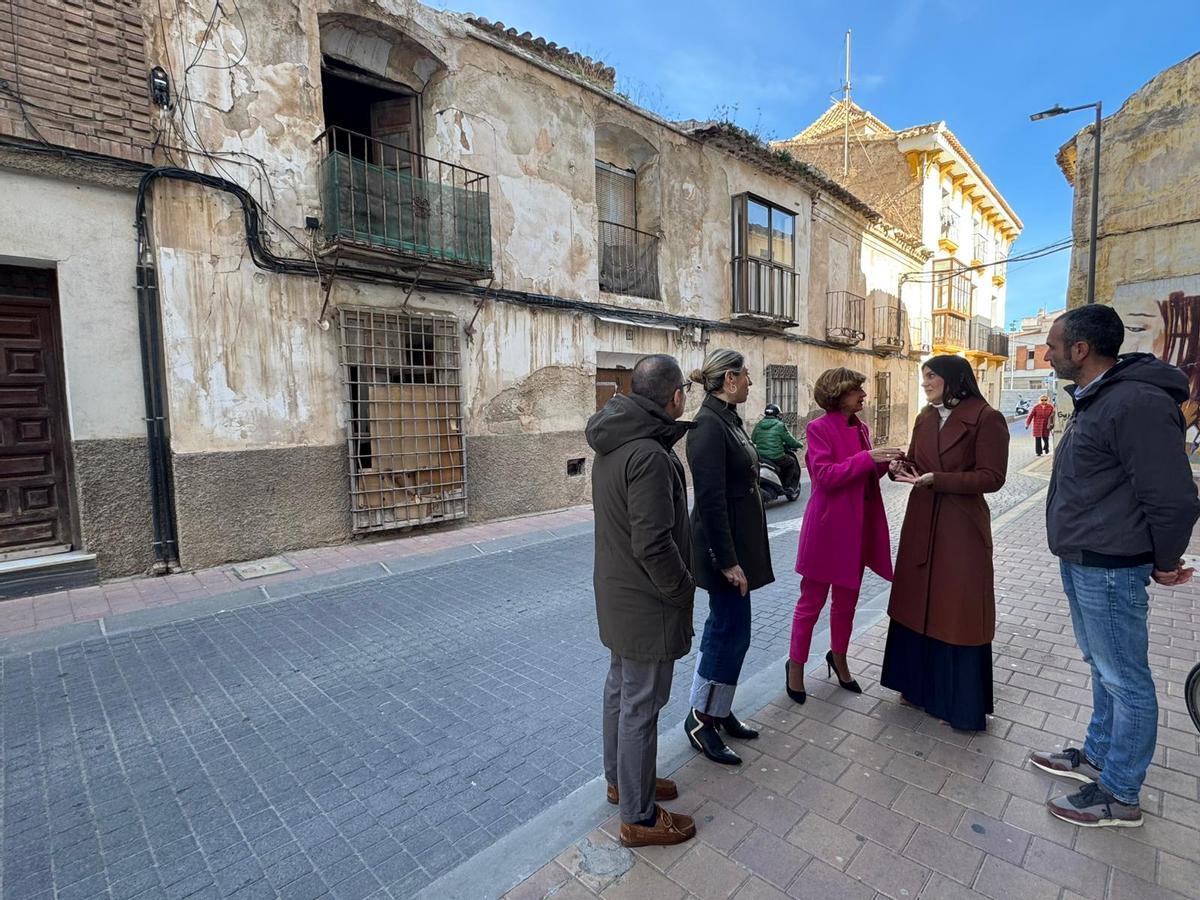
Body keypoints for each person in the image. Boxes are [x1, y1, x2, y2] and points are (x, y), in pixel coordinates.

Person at [1030, 305, 1200, 828]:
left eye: (1054, 345)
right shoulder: (1099, 398)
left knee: (1126, 678)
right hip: (1086, 558)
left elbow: (1174, 497)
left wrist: (1166, 560)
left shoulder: (1135, 402)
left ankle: (1120, 792)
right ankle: (1099, 756)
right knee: (1101, 667)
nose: (1048, 352)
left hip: (1110, 564)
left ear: (1081, 350)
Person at [587, 354, 698, 848]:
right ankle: (639, 815)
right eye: (684, 393)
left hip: (619, 591)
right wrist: (681, 588)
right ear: (674, 397)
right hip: (646, 598)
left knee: (622, 691)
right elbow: (654, 543)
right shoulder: (649, 455)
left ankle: (623, 781)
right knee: (641, 704)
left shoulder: (617, 441)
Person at [881, 355, 1009, 731]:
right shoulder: (925, 416)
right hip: (922, 519)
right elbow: (917, 460)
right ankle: (915, 688)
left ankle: (958, 703)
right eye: (924, 377)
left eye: (931, 376)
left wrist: (938, 479)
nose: (926, 383)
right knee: (915, 603)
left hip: (960, 526)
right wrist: (899, 467)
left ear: (954, 379)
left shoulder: (987, 418)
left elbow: (992, 477)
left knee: (958, 610)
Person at [786, 368, 902, 703]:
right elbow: (825, 477)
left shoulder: (862, 428)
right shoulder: (818, 428)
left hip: (857, 527)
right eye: (857, 391)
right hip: (827, 530)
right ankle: (795, 666)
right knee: (811, 603)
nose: (864, 396)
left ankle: (839, 658)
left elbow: (865, 474)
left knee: (847, 603)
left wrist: (886, 465)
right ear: (839, 394)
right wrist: (868, 457)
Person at [682, 348, 774, 766]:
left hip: (736, 547)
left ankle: (718, 709)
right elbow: (711, 501)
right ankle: (701, 720)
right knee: (727, 631)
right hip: (724, 551)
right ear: (730, 380)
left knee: (732, 631)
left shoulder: (727, 420)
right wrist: (726, 560)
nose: (751, 383)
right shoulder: (706, 426)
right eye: (746, 376)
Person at [751, 404, 803, 496]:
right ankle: (787, 486)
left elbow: (754, 439)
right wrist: (799, 444)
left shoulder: (759, 425)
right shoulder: (780, 425)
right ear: (777, 415)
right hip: (776, 456)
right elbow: (790, 440)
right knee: (791, 462)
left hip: (761, 456)